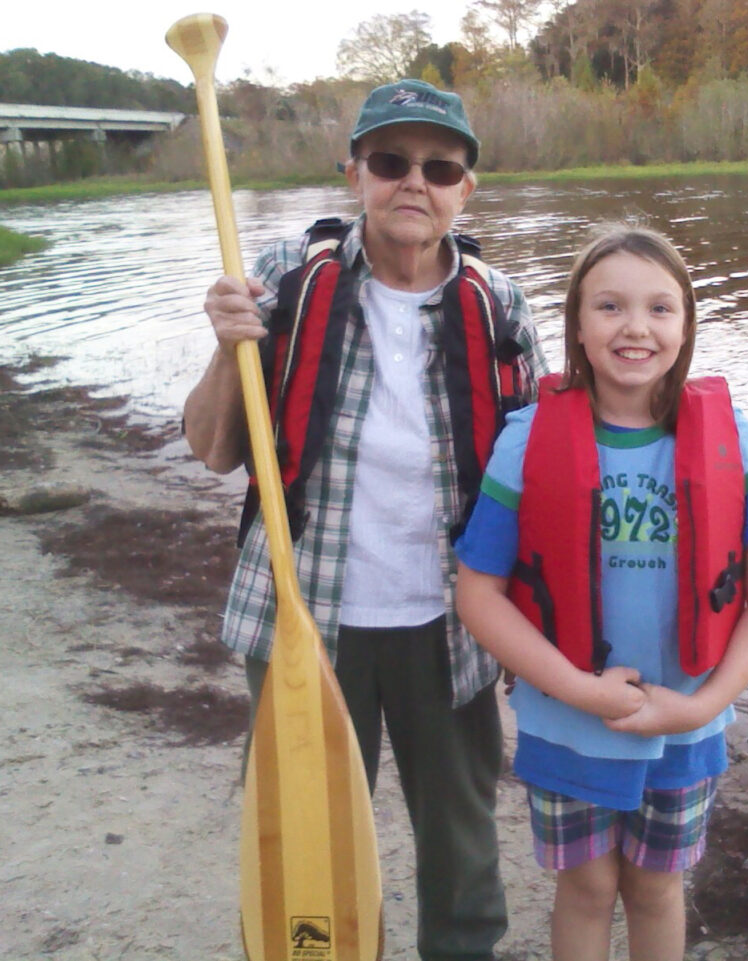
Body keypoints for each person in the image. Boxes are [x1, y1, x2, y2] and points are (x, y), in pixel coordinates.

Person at [183, 79, 549, 961]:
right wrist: (230, 346)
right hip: (302, 618)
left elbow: (531, 484)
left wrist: (532, 631)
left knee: (463, 858)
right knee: (302, 844)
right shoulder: (282, 274)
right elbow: (210, 448)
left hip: (449, 628)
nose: (412, 182)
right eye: (390, 162)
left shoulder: (500, 303)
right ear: (354, 173)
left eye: (439, 166)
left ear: (468, 189)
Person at [455, 225, 748, 961]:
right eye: (609, 306)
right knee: (584, 889)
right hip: (566, 723)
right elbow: (478, 594)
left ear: (686, 325)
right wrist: (579, 689)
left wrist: (701, 705)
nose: (635, 327)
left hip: (685, 727)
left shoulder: (735, 438)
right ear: (577, 325)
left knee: (655, 889)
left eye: (660, 309)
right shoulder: (525, 439)